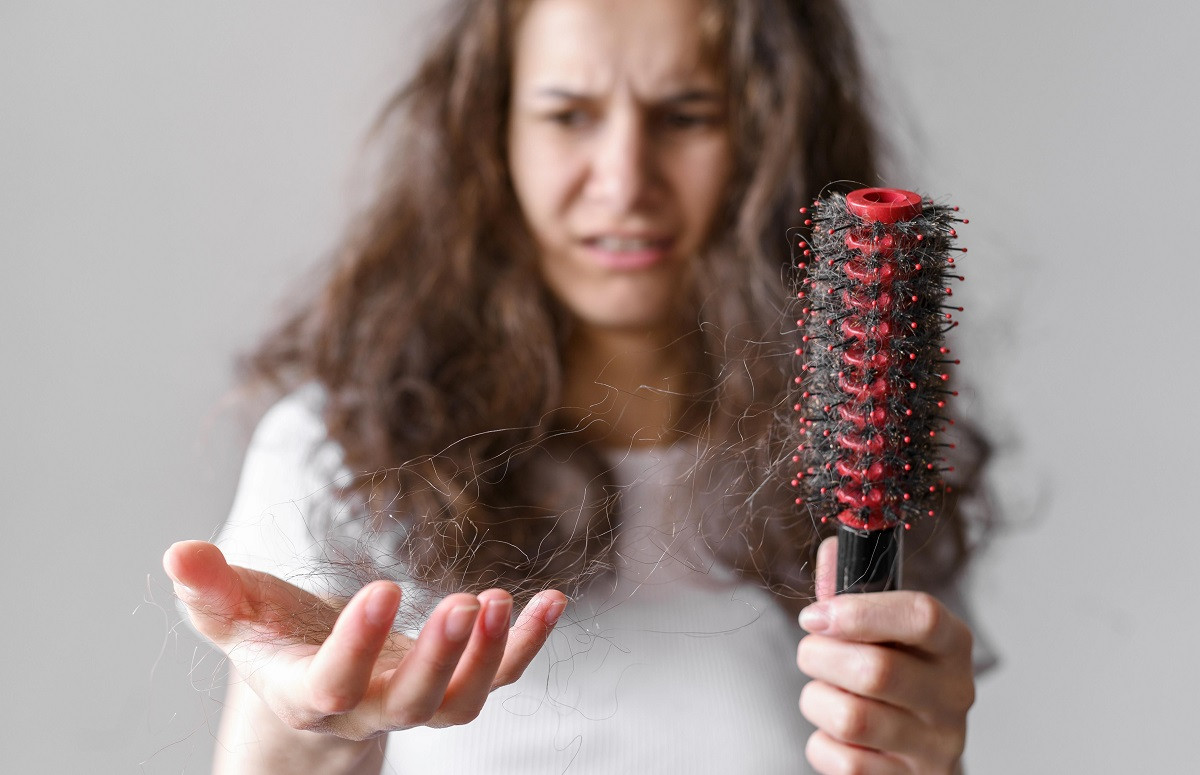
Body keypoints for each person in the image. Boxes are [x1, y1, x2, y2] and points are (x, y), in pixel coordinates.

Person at [164, 0, 986, 772]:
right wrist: (308, 723)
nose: (625, 180)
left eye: (685, 115)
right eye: (568, 116)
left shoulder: (862, 460)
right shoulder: (337, 450)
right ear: (495, 133)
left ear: (769, 136)